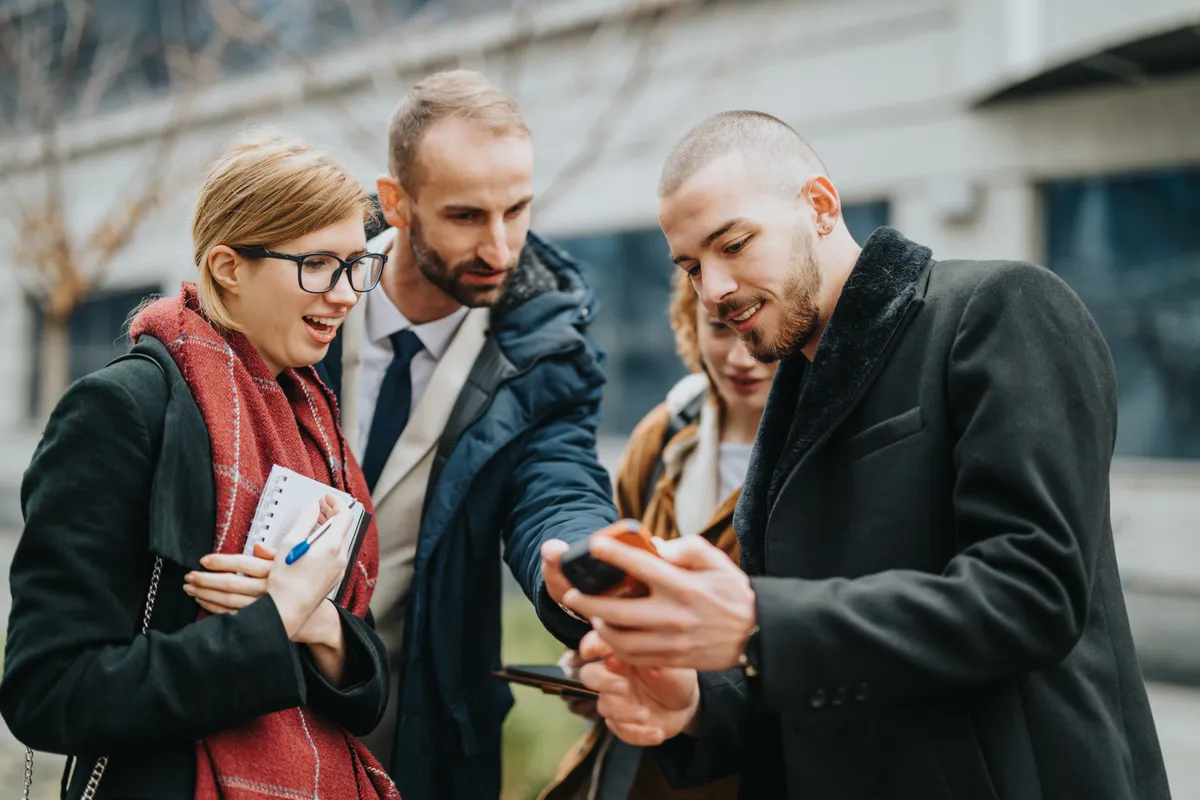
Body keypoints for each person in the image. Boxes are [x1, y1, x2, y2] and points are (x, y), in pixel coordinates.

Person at [550, 111, 1172, 800]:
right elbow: (814, 679)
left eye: (734, 243)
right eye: (692, 266)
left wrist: (757, 622)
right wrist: (694, 704)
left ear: (819, 205)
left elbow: (1033, 595)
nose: (715, 290)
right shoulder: (792, 392)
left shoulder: (1000, 308)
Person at [1, 132, 400, 800]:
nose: (345, 294)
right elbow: (49, 690)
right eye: (319, 266)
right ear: (228, 267)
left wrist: (320, 625)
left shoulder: (315, 423)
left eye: (358, 265)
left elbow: (362, 695)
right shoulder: (122, 411)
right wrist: (274, 625)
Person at [314, 69, 616, 799]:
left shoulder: (551, 354)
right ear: (396, 203)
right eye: (466, 216)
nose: (501, 246)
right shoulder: (299, 294)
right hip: (243, 714)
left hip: (415, 744)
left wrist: (590, 575)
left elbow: (560, 485)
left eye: (517, 209)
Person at [541, 269, 775, 800]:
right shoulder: (666, 432)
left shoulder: (821, 454)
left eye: (751, 327)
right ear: (688, 324)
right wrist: (597, 655)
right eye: (719, 328)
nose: (741, 357)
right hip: (630, 766)